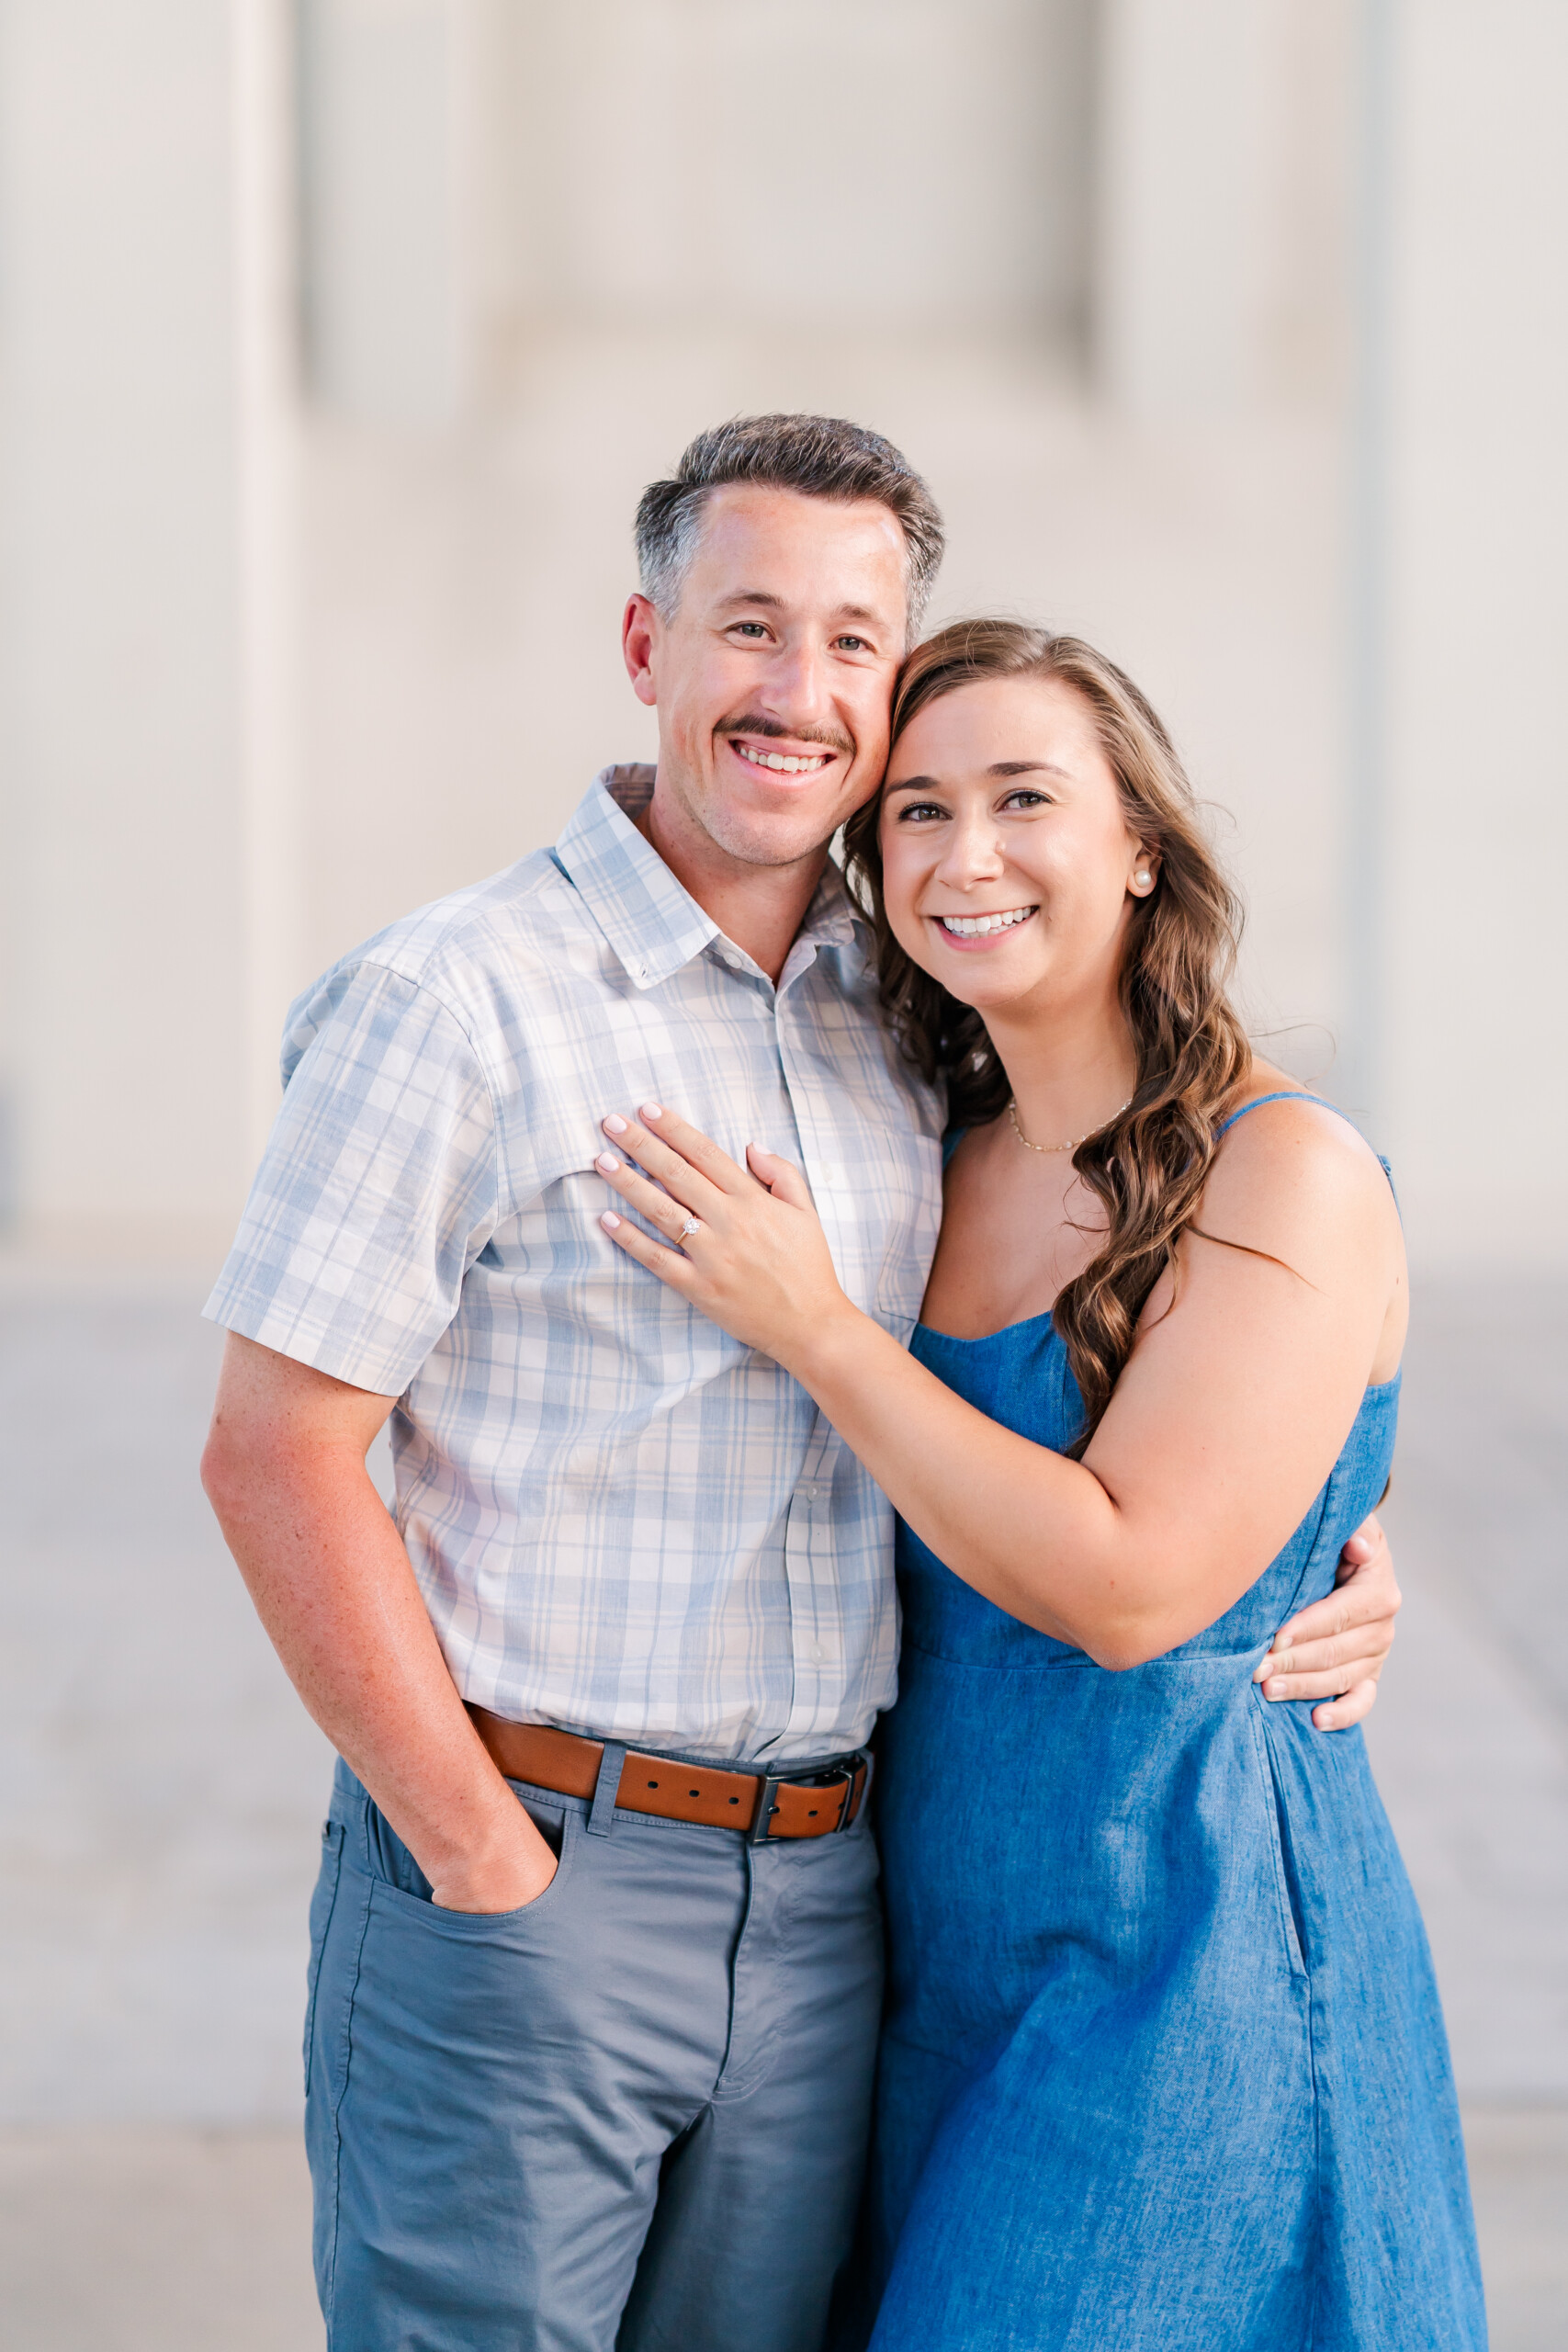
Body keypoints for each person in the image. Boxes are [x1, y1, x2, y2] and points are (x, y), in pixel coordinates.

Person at [199, 421, 1403, 2352]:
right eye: (746, 625)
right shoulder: (454, 998)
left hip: (842, 1908)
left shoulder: (904, 1029)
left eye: (852, 642)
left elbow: (1098, 1381)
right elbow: (272, 1452)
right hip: (540, 1868)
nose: (797, 690)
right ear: (642, 643)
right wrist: (474, 1855)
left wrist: (1318, 1530)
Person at [591, 619, 1483, 2350]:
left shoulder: (1280, 1168)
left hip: (1185, 1951)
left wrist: (821, 1331)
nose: (965, 855)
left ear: (1141, 843)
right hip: (929, 1941)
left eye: (1023, 798)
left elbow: (1135, 1587)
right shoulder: (922, 1150)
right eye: (915, 813)